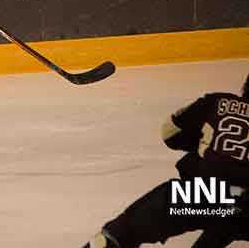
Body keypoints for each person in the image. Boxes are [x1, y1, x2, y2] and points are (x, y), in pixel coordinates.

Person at [83, 73, 249, 247]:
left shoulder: (217, 102)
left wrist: (205, 147)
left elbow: (170, 134)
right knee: (231, 216)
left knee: (120, 234)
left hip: (206, 195)